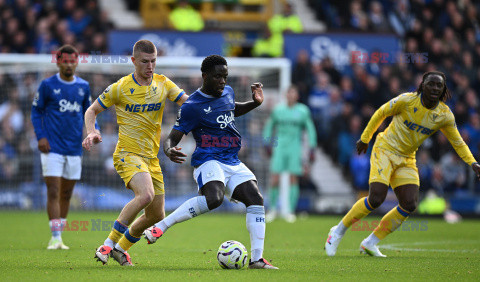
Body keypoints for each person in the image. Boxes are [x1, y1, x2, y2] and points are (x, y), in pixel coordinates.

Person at [142, 55, 278, 269]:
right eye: (217, 77)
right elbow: (173, 137)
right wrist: (168, 149)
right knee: (213, 199)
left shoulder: (228, 91)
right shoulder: (192, 106)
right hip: (208, 159)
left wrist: (254, 103)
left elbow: (232, 108)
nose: (222, 81)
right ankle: (162, 225)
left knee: (256, 199)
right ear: (204, 76)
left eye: (225, 76)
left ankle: (257, 260)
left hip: (232, 160)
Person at [325, 71, 480, 257]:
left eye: (439, 85)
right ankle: (338, 231)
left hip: (407, 158)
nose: (435, 88)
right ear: (422, 85)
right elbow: (381, 112)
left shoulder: (444, 115)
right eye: (431, 84)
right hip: (385, 150)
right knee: (376, 199)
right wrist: (365, 138)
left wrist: (473, 163)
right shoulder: (407, 100)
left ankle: (370, 243)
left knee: (409, 203)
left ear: (443, 89)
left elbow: (458, 142)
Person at [82, 39, 188, 266]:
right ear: (133, 61)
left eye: (154, 61)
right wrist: (92, 132)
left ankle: (121, 249)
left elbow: (188, 104)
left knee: (156, 216)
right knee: (146, 195)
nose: (150, 66)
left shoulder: (163, 83)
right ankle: (108, 244)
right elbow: (92, 110)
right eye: (145, 62)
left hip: (152, 158)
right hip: (127, 154)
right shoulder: (120, 87)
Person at [31, 45, 96, 250]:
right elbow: (36, 112)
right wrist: (40, 136)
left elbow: (90, 111)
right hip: (52, 148)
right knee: (53, 190)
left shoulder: (83, 86)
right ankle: (55, 236)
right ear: (58, 62)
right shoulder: (47, 85)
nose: (69, 64)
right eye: (65, 61)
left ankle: (60, 235)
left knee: (67, 194)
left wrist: (93, 132)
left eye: (72, 61)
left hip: (74, 148)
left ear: (77, 62)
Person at [262, 85, 317, 223]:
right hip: (279, 147)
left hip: (294, 148)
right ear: (285, 95)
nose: (291, 96)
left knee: (293, 178)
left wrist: (312, 147)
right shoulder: (278, 110)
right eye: (289, 93)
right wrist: (267, 143)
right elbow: (270, 127)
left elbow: (310, 129)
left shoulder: (303, 110)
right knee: (275, 178)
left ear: (297, 96)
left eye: (294, 93)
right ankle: (273, 209)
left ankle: (290, 211)